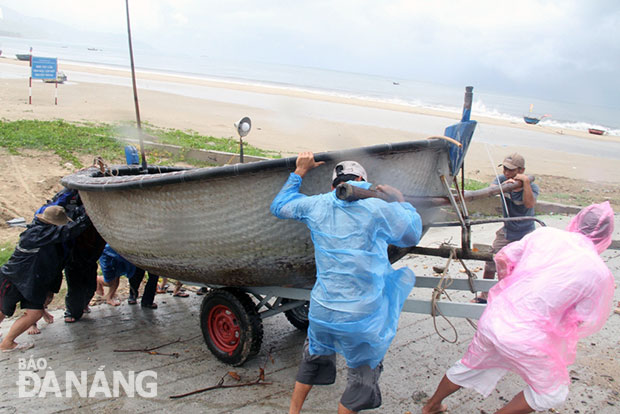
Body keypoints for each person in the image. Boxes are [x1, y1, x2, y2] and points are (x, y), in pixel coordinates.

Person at [422, 202, 615, 414]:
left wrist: (511, 288)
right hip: (530, 338)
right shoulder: (599, 273)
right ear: (606, 236)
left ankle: (431, 406)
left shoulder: (545, 235)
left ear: (577, 220)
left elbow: (504, 257)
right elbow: (584, 319)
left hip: (495, 319)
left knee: (469, 365)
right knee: (551, 392)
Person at [271, 152, 423, 414]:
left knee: (313, 357)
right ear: (363, 180)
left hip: (322, 311)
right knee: (361, 379)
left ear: (333, 185)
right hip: (361, 317)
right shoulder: (378, 207)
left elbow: (279, 205)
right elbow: (411, 234)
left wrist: (300, 171)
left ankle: (292, 411)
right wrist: (401, 201)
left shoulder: (316, 205)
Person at [0, 205, 91, 352]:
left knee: (34, 313)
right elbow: (68, 231)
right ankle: (7, 343)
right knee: (3, 309)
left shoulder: (43, 231)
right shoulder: (36, 234)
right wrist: (87, 216)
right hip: (15, 277)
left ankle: (8, 341)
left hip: (33, 280)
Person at [34, 188, 106, 323]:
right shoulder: (55, 227)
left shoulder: (81, 212)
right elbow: (75, 226)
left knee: (90, 286)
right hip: (71, 257)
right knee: (74, 286)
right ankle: (71, 311)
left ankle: (81, 305)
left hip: (90, 255)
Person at [475, 153, 539, 303]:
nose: (506, 173)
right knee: (492, 260)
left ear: (521, 170)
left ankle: (519, 298)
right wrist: (505, 186)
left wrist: (525, 184)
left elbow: (529, 204)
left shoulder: (532, 187)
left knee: (523, 266)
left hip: (525, 232)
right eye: (505, 169)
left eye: (511, 170)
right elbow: (490, 191)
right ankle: (485, 294)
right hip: (507, 230)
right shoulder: (502, 180)